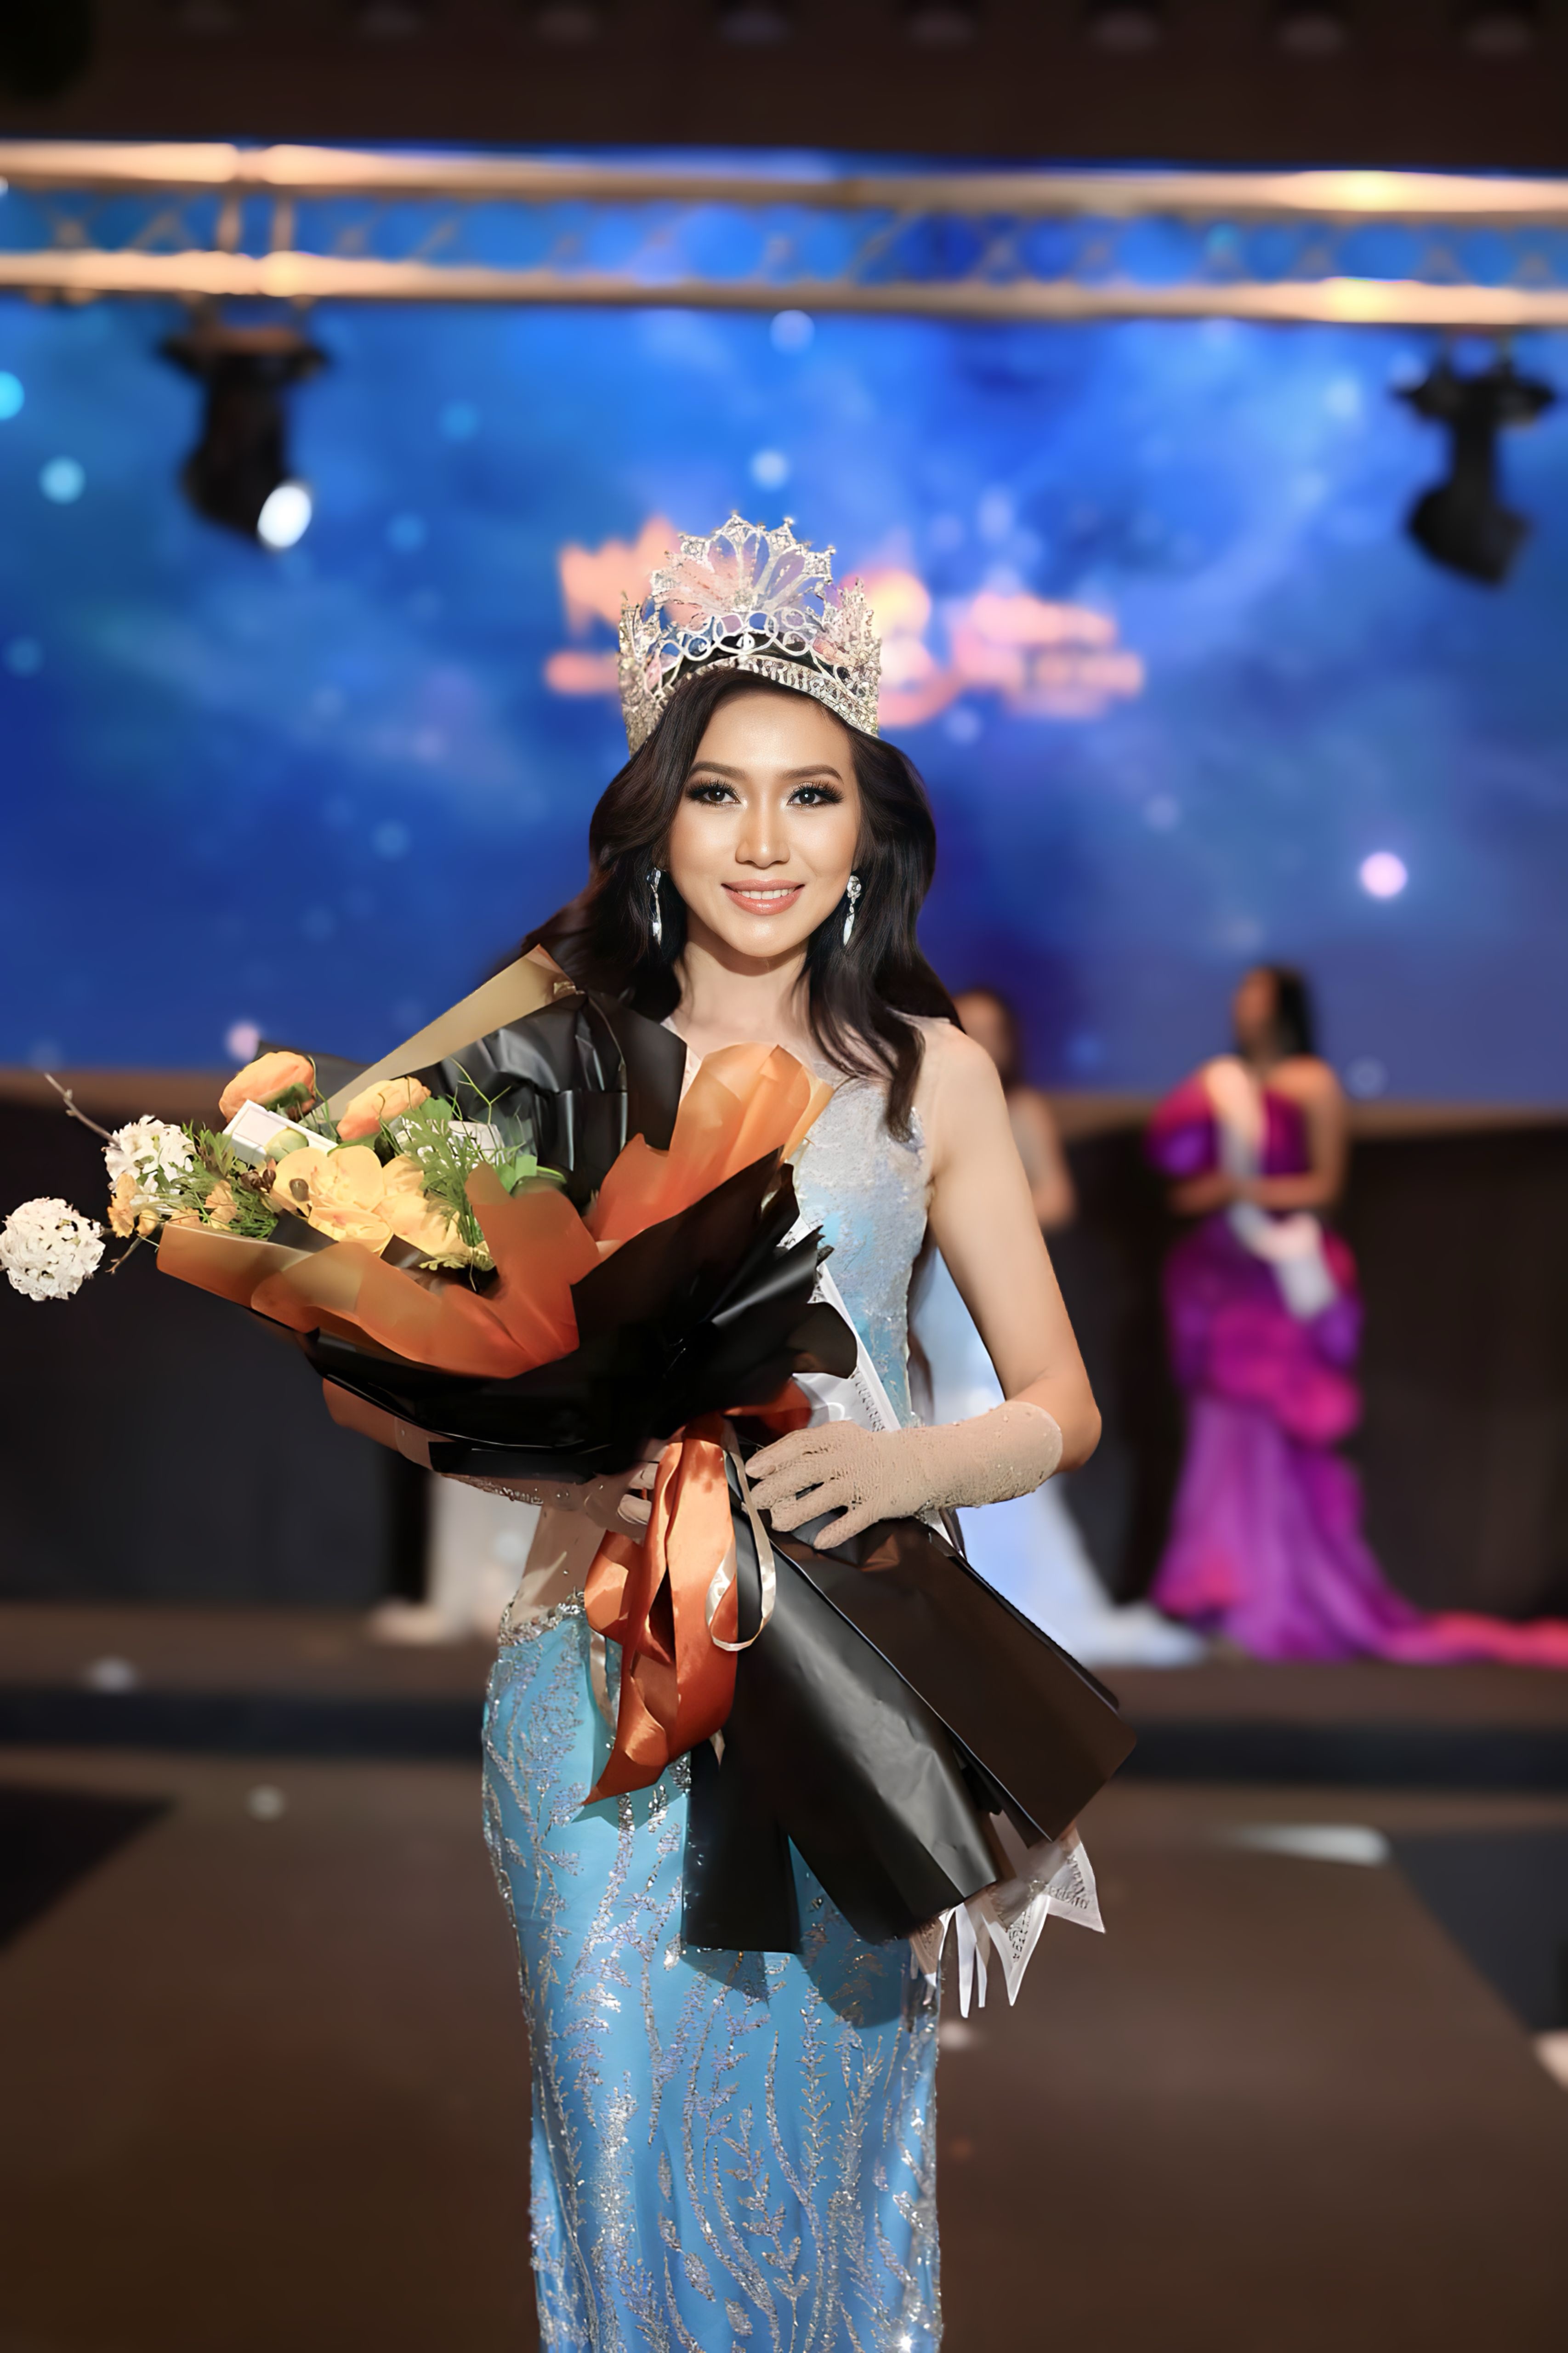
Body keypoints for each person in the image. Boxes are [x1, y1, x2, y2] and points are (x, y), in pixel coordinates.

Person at [477, 518, 1101, 2349]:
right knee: (613, 2146)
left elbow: (1059, 1403)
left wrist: (907, 1464)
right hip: (590, 1683)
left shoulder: (931, 1074)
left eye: (809, 796)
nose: (765, 841)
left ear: (864, 834)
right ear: (658, 825)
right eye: (720, 793)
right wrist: (555, 1435)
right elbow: (456, 1378)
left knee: (826, 2164)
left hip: (843, 1686)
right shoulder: (554, 1055)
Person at [1146, 964, 1568, 1665]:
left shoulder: (1311, 1083)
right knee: (1221, 1434)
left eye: (1258, 994)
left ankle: (1276, 1598)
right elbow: (1180, 1172)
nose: (1246, 1006)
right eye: (1241, 994)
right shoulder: (1223, 1084)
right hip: (1224, 1278)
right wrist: (1212, 1193)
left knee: (1279, 1438)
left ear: (1284, 1005)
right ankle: (1219, 1594)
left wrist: (1240, 1188)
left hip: (1281, 1277)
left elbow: (1324, 1185)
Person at [911, 987, 1203, 1665]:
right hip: (937, 1279)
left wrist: (983, 1212)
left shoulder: (1023, 1109)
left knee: (996, 1400)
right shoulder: (934, 1094)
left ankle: (1012, 1583)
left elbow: (1058, 1198)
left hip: (991, 1265)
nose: (983, 1039)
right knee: (936, 1398)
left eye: (995, 1029)